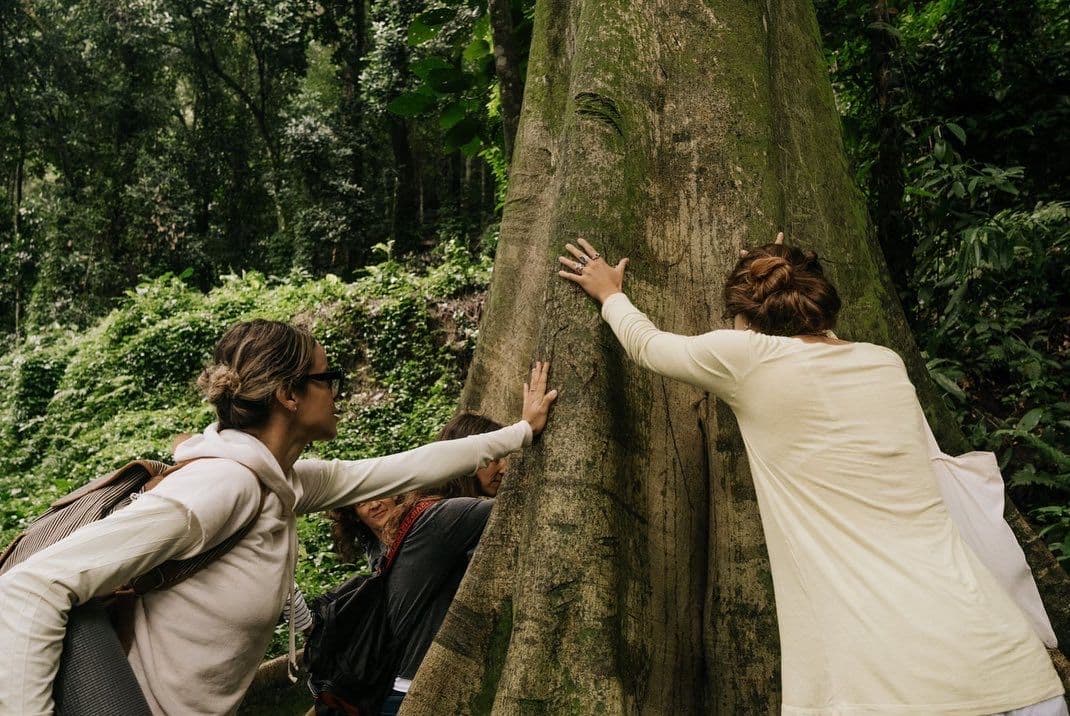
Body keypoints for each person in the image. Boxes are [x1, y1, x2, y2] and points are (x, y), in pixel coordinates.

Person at [558, 236, 1066, 716]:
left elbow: (648, 345)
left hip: (892, 683)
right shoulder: (884, 364)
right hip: (1013, 668)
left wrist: (610, 295)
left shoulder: (747, 360)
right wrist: (777, 271)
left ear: (746, 321)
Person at [0, 319, 557, 715]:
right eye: (326, 378)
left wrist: (520, 432)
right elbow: (30, 585)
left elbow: (404, 468)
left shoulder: (281, 481)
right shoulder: (222, 484)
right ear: (290, 394)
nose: (337, 391)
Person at [321, 411, 512, 715]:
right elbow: (527, 503)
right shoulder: (442, 518)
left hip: (412, 686)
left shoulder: (422, 517)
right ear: (463, 460)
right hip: (417, 692)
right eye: (494, 456)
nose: (505, 467)